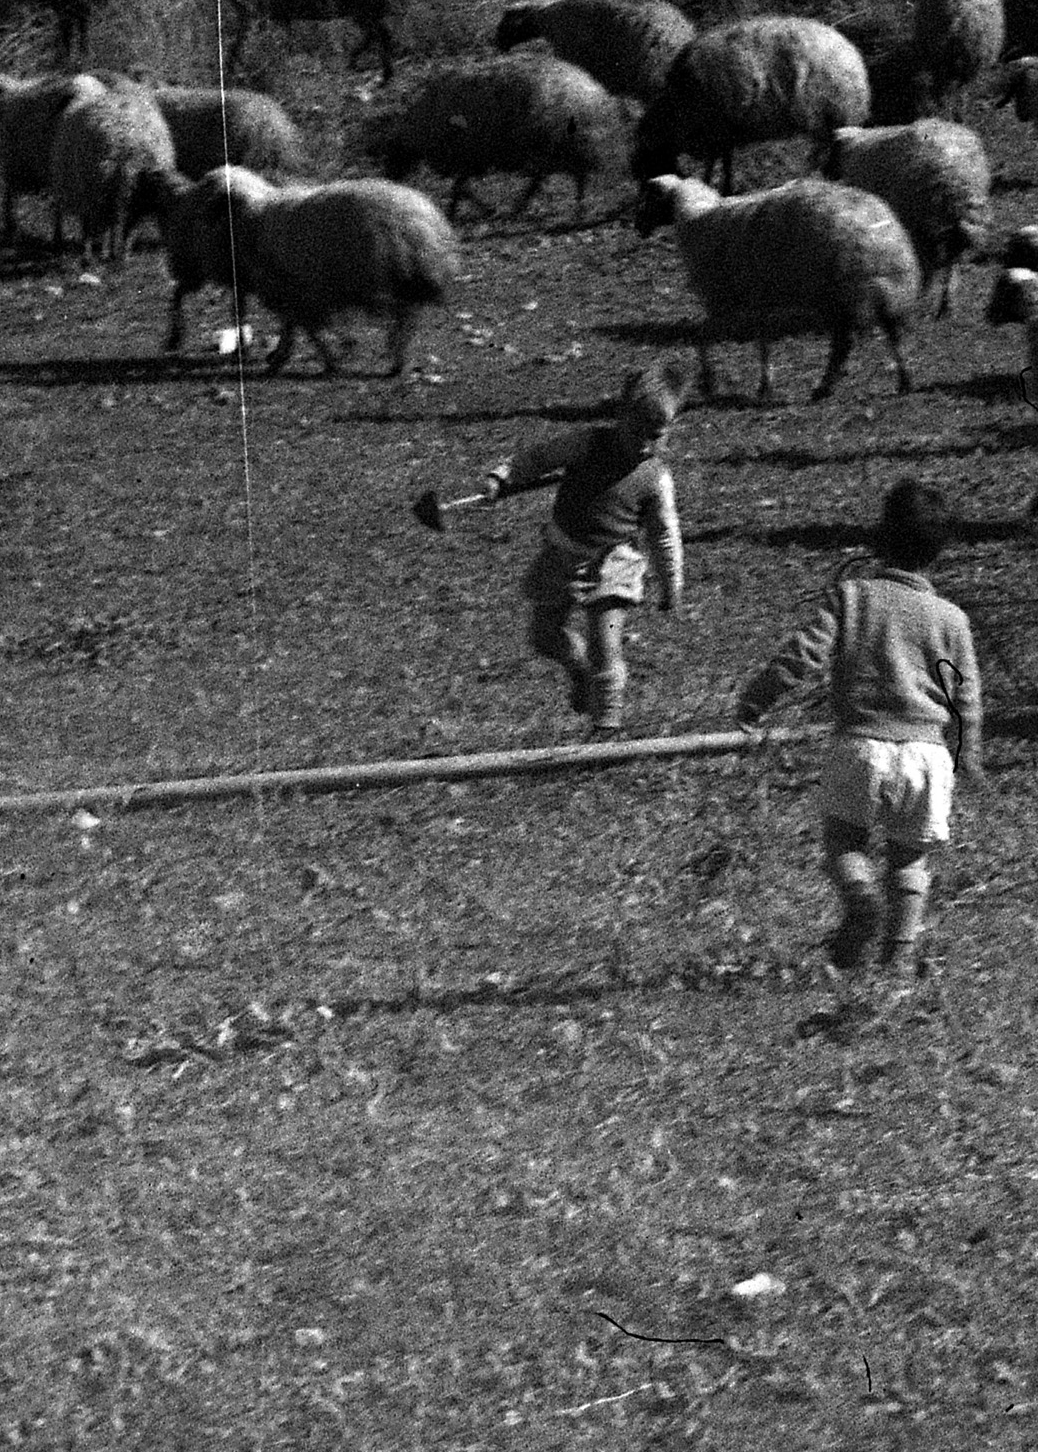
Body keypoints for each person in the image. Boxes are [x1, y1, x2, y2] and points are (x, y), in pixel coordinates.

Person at [733, 480, 987, 1008]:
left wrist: (758, 698)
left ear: (878, 538)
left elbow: (804, 653)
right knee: (909, 859)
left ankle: (859, 897)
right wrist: (969, 758)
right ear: (940, 551)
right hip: (927, 755)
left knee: (845, 842)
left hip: (861, 746)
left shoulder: (852, 598)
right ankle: (897, 959)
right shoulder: (953, 620)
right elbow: (966, 699)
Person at [413, 370, 687, 731]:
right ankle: (580, 673)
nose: (643, 444)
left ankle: (607, 726)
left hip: (613, 564)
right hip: (561, 554)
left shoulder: (655, 478)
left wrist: (671, 584)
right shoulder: (587, 443)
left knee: (605, 645)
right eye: (636, 431)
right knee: (543, 636)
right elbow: (540, 458)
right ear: (620, 415)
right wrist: (502, 477)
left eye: (654, 436)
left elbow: (665, 534)